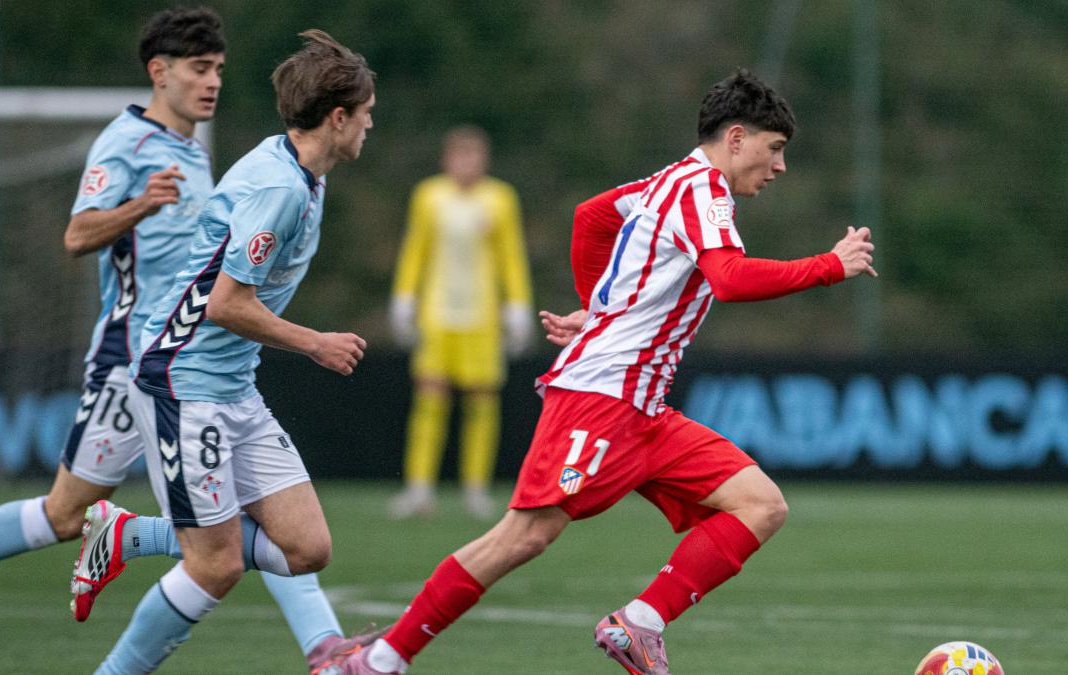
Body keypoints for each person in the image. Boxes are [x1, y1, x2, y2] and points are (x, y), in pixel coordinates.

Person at [331, 69, 877, 674]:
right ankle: (379, 660)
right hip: (602, 399)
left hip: (643, 407)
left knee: (760, 504)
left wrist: (601, 312)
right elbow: (729, 278)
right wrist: (830, 264)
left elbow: (592, 216)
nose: (779, 167)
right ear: (738, 137)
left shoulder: (667, 182)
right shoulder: (702, 189)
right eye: (775, 150)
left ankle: (638, 624)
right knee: (522, 538)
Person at [0, 10, 368, 672]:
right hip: (135, 354)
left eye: (220, 70)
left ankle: (320, 643)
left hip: (187, 352)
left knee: (235, 532)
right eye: (200, 70)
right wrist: (141, 204)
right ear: (159, 72)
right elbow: (78, 235)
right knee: (71, 516)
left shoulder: (201, 155)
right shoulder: (125, 144)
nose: (212, 83)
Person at [88, 29, 376, 674]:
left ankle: (131, 534)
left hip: (233, 386)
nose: (369, 125)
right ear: (337, 118)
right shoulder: (279, 189)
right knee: (214, 565)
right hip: (183, 381)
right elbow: (225, 305)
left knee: (306, 549)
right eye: (366, 113)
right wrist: (316, 343)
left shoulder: (300, 172)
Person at [388, 126, 534, 519]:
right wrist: (404, 297)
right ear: (446, 159)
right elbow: (415, 249)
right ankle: (419, 488)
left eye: (474, 155)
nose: (466, 163)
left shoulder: (500, 199)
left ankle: (476, 489)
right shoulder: (429, 196)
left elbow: (511, 256)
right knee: (429, 399)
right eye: (460, 155)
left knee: (481, 401)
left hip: (482, 316)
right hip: (438, 313)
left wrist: (518, 305)